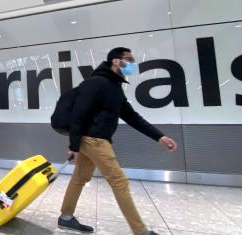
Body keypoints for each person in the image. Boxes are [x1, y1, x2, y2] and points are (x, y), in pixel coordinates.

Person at [58, 47, 178, 235]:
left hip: (93, 139)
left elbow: (132, 117)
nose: (132, 63)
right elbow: (78, 114)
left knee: (80, 178)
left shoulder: (114, 87)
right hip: (94, 140)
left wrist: (159, 136)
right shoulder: (96, 83)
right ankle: (140, 231)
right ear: (116, 61)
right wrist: (74, 144)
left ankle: (65, 218)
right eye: (128, 59)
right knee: (119, 180)